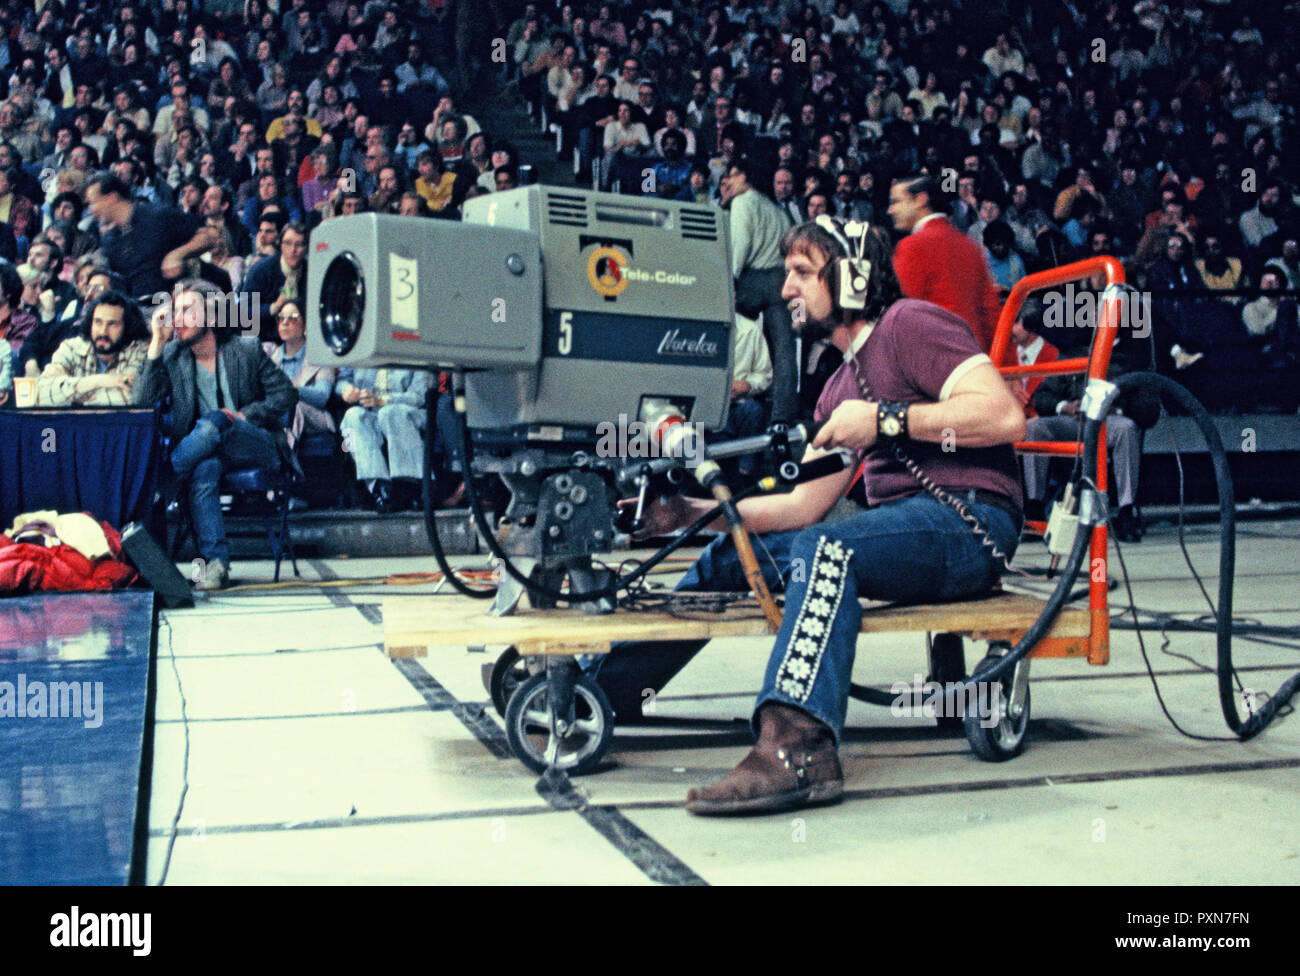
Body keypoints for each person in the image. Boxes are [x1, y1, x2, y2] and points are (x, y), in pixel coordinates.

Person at [592, 219, 1026, 815]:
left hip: (972, 523)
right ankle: (603, 694)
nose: (787, 288)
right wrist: (693, 514)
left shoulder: (910, 324)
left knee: (826, 548)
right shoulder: (839, 384)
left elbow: (1002, 416)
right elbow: (801, 505)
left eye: (801, 272)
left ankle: (799, 750)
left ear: (850, 278)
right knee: (731, 556)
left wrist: (885, 421)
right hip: (906, 529)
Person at [133, 279, 298, 591]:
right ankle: (216, 565)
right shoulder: (172, 357)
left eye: (186, 310)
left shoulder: (246, 350)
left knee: (215, 422)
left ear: (211, 315)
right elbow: (141, 404)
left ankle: (160, 488)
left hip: (256, 443)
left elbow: (286, 395)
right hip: (206, 451)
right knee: (205, 467)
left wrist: (246, 415)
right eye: (174, 311)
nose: (176, 318)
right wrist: (156, 342)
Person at [889, 174, 1008, 365]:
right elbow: (991, 312)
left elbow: (901, 317)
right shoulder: (969, 245)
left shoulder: (911, 246)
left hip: (933, 363)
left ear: (920, 200)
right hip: (975, 360)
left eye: (896, 201)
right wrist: (1008, 367)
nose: (891, 210)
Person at [722, 157, 799, 423]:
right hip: (780, 280)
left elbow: (740, 243)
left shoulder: (744, 202)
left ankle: (730, 397)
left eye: (733, 175)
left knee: (733, 334)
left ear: (746, 177)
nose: (729, 181)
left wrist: (729, 279)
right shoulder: (779, 210)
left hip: (751, 280)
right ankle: (781, 416)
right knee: (784, 350)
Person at [84, 172, 217, 300]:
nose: (91, 209)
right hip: (134, 311)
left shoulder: (157, 216)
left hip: (169, 306)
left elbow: (210, 236)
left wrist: (178, 254)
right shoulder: (109, 241)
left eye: (94, 202)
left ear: (112, 198)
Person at [337, 367, 432, 514]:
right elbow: (343, 379)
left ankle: (410, 485)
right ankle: (379, 488)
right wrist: (346, 389)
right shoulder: (362, 347)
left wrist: (382, 400)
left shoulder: (414, 350)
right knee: (353, 416)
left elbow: (418, 397)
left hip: (409, 412)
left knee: (390, 412)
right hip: (371, 413)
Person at [35, 290, 149, 406]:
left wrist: (71, 398)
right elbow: (41, 394)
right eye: (98, 322)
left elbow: (131, 398)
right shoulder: (71, 348)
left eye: (112, 324)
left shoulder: (139, 350)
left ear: (128, 327)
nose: (103, 331)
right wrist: (100, 381)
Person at [262, 298, 336, 448]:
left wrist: (292, 390)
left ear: (306, 325)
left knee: (294, 407)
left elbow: (322, 396)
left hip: (314, 415)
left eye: (293, 318)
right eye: (281, 318)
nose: (284, 323)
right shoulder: (270, 358)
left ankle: (286, 462)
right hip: (278, 414)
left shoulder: (319, 355)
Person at [241, 222, 307, 338]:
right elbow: (243, 312)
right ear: (280, 245)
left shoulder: (311, 272)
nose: (293, 249)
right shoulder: (261, 270)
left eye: (299, 244)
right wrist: (274, 307)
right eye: (287, 243)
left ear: (306, 248)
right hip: (265, 338)